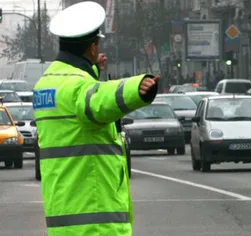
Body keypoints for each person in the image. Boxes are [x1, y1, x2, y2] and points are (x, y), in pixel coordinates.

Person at [32, 2, 159, 235]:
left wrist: (91, 71)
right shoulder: (79, 86)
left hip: (64, 215)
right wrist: (137, 88)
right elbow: (98, 101)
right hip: (94, 221)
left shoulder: (46, 84)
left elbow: (78, 104)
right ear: (92, 48)